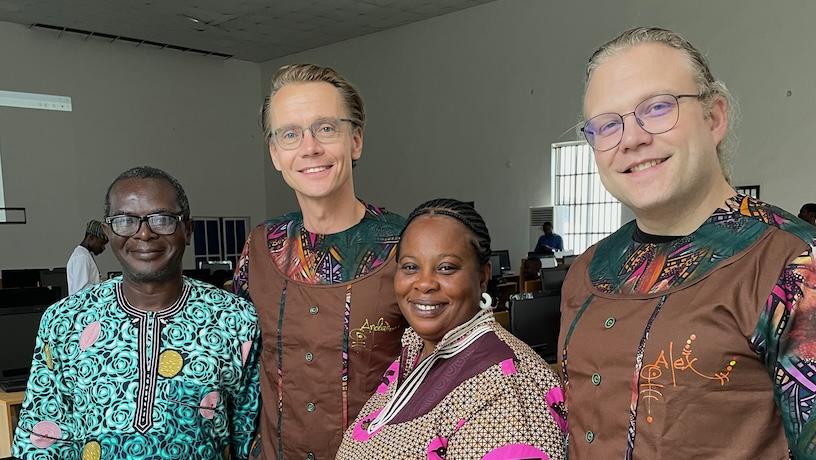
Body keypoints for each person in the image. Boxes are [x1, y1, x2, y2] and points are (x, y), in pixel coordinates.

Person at [559, 26, 816, 459]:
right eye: (607, 125)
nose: (632, 138)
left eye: (657, 108)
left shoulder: (794, 266)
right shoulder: (588, 270)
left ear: (713, 118)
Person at [13, 166, 260, 459]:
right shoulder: (64, 321)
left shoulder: (237, 319)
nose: (144, 233)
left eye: (163, 219)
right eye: (125, 221)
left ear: (188, 230)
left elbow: (250, 439)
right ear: (108, 233)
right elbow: (41, 439)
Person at [234, 64, 405, 459]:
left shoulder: (404, 245)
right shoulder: (261, 247)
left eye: (326, 128)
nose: (309, 147)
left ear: (356, 140)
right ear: (276, 154)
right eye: (290, 134)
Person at [336, 199, 567, 459]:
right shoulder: (417, 349)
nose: (424, 284)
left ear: (482, 276)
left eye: (446, 268)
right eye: (410, 267)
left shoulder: (507, 389)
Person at [66, 219, 108, 295]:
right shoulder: (81, 257)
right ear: (91, 238)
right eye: (101, 243)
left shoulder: (84, 255)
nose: (103, 248)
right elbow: (80, 292)